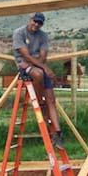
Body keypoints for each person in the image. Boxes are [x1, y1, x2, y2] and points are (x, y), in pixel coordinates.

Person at [12, 12, 64, 149]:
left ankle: (58, 133)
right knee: (40, 74)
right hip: (24, 66)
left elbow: (43, 55)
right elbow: (25, 55)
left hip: (38, 66)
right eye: (35, 21)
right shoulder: (19, 33)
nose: (36, 25)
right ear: (30, 20)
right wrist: (44, 67)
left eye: (40, 23)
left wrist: (42, 66)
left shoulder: (43, 36)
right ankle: (40, 100)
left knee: (51, 100)